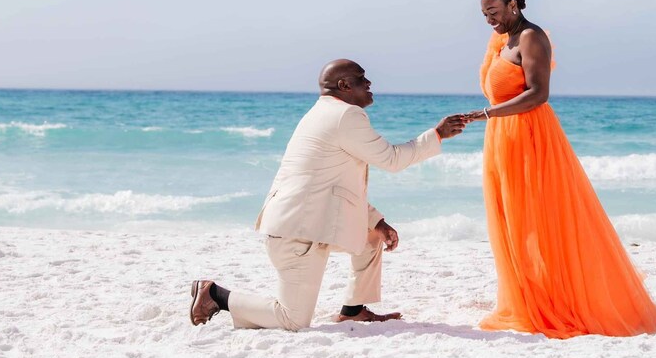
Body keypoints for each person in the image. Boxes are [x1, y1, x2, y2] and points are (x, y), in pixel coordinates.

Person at [461, 0, 656, 338]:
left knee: (536, 222)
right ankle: (528, 298)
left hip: (528, 138)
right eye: (484, 14)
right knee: (512, 223)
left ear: (513, 5)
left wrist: (486, 114)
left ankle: (555, 301)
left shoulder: (531, 37)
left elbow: (538, 94)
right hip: (501, 139)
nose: (488, 20)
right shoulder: (502, 40)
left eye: (493, 11)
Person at [190, 59, 466, 330]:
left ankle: (353, 311)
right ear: (344, 85)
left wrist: (377, 222)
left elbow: (330, 185)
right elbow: (392, 159)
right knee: (292, 320)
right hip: (299, 233)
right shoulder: (346, 115)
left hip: (299, 222)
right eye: (362, 78)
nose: (369, 83)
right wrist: (437, 134)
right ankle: (215, 295)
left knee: (371, 235)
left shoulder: (320, 113)